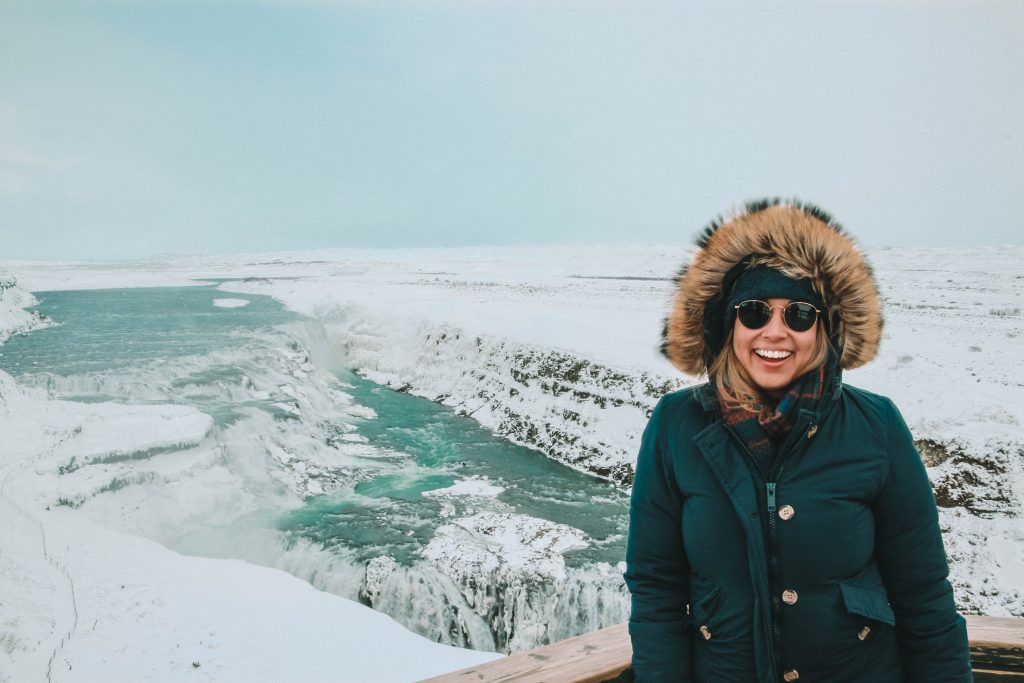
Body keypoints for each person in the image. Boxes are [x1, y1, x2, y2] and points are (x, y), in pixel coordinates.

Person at [624, 198, 972, 682]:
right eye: (754, 312)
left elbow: (923, 593)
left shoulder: (876, 425)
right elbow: (656, 585)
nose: (776, 331)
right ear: (729, 324)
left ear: (824, 329)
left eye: (800, 315)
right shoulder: (676, 424)